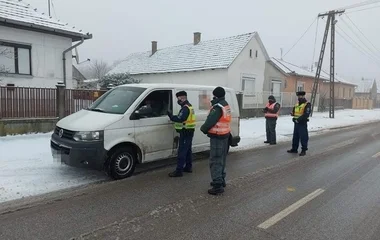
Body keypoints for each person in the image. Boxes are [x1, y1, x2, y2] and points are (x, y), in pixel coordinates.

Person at [200, 86, 231, 195]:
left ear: (215, 95)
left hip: (217, 136)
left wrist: (203, 129)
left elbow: (211, 120)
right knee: (222, 159)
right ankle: (221, 180)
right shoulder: (225, 104)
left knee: (215, 160)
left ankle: (217, 185)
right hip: (225, 135)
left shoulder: (217, 107)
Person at [167, 91, 196, 177]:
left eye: (178, 98)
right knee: (188, 150)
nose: (178, 100)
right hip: (189, 131)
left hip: (185, 131)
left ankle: (179, 171)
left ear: (182, 98)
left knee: (182, 151)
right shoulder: (189, 106)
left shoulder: (185, 108)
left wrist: (171, 116)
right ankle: (188, 167)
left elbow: (180, 118)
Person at [287, 91, 311, 156]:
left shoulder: (307, 104)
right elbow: (295, 112)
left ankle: (304, 150)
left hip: (302, 123)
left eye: (300, 96)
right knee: (295, 136)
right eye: (298, 96)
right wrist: (292, 114)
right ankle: (294, 149)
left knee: (303, 137)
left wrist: (298, 119)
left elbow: (306, 114)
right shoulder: (297, 104)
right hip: (296, 123)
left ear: (303, 96)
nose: (299, 97)